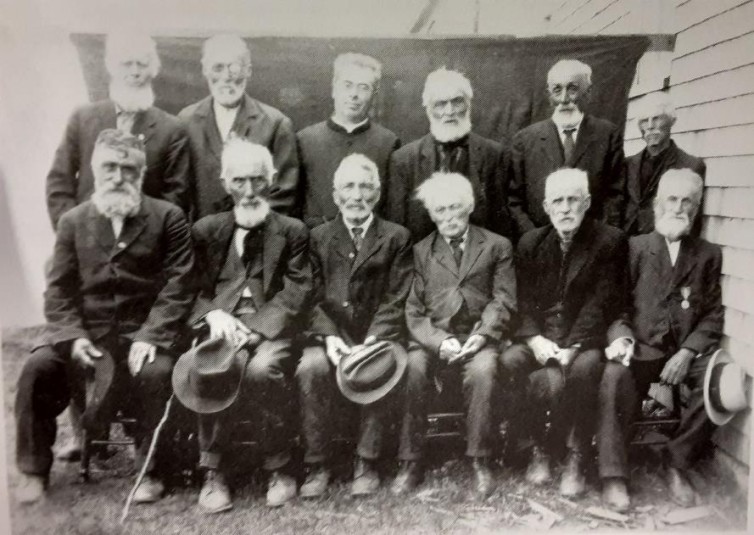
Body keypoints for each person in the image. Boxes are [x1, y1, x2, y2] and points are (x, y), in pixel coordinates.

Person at [15, 129, 195, 504]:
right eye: (109, 167)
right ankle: (33, 470)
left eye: (128, 169)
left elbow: (179, 284)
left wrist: (151, 335)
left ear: (141, 174)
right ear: (95, 171)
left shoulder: (168, 217)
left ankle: (151, 471)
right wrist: (73, 336)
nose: (118, 176)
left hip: (140, 335)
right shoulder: (73, 221)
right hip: (87, 335)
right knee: (38, 369)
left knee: (157, 372)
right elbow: (59, 289)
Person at [184, 138, 312, 511]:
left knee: (261, 369)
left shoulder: (292, 231)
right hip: (221, 327)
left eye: (258, 179)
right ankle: (214, 473)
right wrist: (212, 314)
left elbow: (297, 289)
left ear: (272, 180)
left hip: (273, 331)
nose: (250, 190)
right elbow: (187, 287)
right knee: (212, 366)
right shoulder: (206, 231)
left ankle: (280, 468)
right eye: (240, 181)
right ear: (226, 184)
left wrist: (257, 328)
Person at [598, 169, 723, 512]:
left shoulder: (708, 254)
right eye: (672, 199)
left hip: (682, 353)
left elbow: (713, 314)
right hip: (642, 350)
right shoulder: (634, 248)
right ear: (656, 204)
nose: (679, 207)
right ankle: (613, 476)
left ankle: (676, 461)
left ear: (696, 210)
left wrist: (687, 351)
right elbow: (617, 308)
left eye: (688, 202)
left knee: (721, 380)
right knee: (613, 374)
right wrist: (622, 339)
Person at [500, 168, 628, 498]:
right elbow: (523, 302)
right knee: (512, 359)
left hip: (583, 336)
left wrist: (571, 347)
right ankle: (534, 447)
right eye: (558, 200)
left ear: (587, 203)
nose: (566, 208)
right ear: (546, 206)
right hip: (541, 336)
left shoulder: (609, 241)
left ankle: (576, 455)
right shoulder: (531, 242)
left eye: (574, 200)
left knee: (585, 369)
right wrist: (534, 339)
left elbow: (601, 304)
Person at [296, 154, 413, 497]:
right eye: (349, 186)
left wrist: (375, 338)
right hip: (330, 333)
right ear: (336, 195)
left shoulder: (396, 237)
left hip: (379, 333)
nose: (357, 195)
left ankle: (367, 461)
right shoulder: (317, 237)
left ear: (377, 194)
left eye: (366, 187)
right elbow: (310, 296)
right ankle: (317, 464)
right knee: (311, 367)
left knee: (380, 364)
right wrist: (330, 337)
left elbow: (397, 297)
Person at [397, 172, 516, 498]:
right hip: (434, 337)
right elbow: (413, 310)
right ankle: (410, 461)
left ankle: (480, 460)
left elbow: (503, 299)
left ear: (469, 207)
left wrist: (483, 335)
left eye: (455, 208)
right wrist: (438, 341)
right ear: (431, 213)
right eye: (440, 211)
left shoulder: (496, 246)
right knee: (413, 367)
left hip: (480, 338)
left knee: (482, 371)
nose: (448, 217)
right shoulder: (421, 252)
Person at [46, 32, 191, 229]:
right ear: (111, 67)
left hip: (146, 245)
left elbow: (176, 196)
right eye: (127, 63)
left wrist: (147, 240)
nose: (135, 72)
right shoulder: (83, 118)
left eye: (142, 64)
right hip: (86, 238)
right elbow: (59, 182)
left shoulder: (171, 129)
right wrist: (72, 232)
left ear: (153, 69)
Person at [179, 34, 299, 218]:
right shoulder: (185, 121)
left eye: (234, 68)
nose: (226, 77)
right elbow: (180, 189)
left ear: (248, 71)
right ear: (205, 70)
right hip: (200, 237)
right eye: (218, 68)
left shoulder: (275, 123)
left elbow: (283, 193)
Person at [388, 68, 512, 241]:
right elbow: (398, 228)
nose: (450, 111)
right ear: (428, 110)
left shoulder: (495, 155)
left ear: (468, 105)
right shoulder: (404, 160)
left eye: (457, 102)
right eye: (440, 104)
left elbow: (501, 224)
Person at [508, 59, 624, 234]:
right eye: (557, 90)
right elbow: (514, 201)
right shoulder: (524, 140)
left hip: (593, 243)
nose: (564, 99)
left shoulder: (607, 135)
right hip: (540, 244)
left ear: (588, 92)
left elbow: (616, 195)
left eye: (572, 89)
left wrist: (601, 238)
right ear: (549, 95)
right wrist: (533, 239)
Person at [296, 53, 400, 228]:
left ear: (374, 94)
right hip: (314, 244)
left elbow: (392, 207)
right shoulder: (305, 139)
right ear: (334, 89)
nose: (354, 94)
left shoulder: (388, 143)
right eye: (347, 85)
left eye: (363, 87)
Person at [623, 93, 706, 236]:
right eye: (644, 121)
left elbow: (693, 221)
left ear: (671, 121)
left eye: (656, 119)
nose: (649, 126)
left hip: (663, 248)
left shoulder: (690, 165)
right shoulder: (627, 164)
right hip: (627, 247)